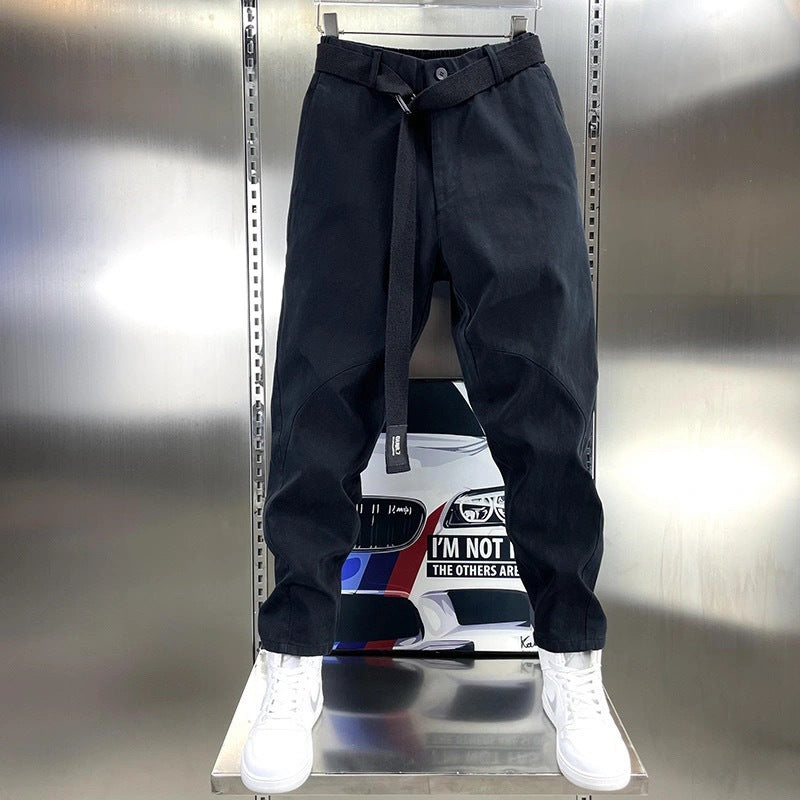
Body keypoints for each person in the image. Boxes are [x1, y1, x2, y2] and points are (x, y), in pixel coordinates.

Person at [241, 30, 631, 795]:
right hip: (356, 108)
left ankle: (570, 655)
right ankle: (294, 655)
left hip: (504, 102)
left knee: (547, 390)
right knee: (318, 391)